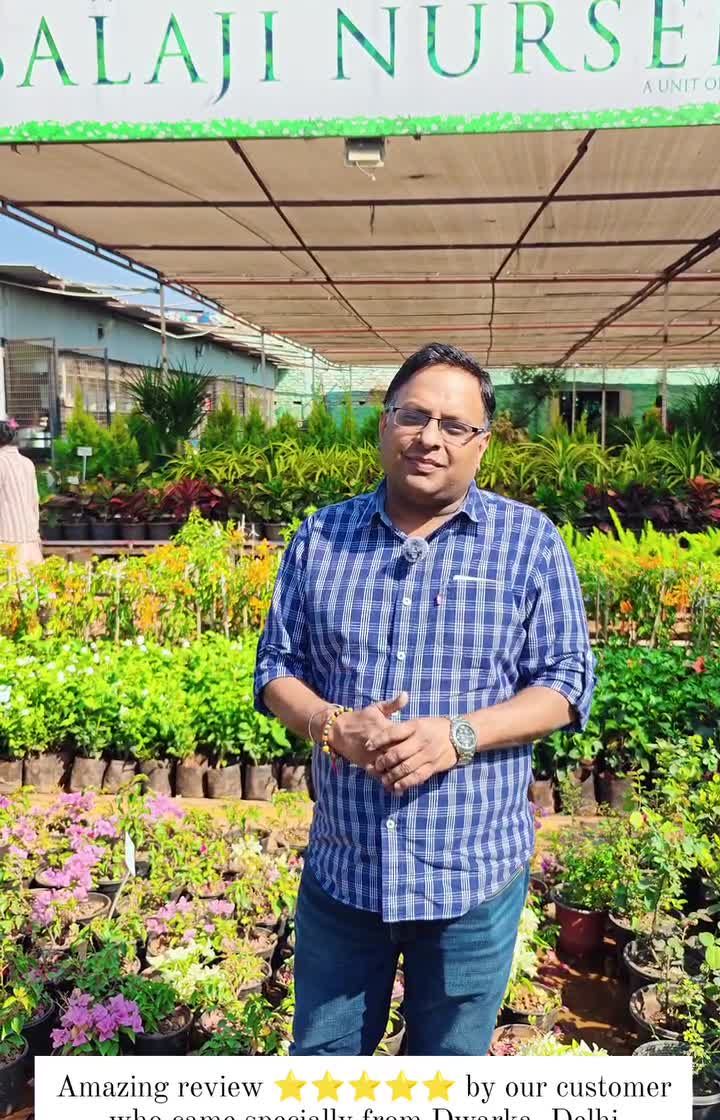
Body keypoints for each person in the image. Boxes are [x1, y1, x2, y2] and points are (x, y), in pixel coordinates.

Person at [255, 343, 594, 1056]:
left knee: (447, 1070)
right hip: (347, 870)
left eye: (454, 424)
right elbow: (276, 668)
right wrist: (332, 725)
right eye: (413, 416)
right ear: (385, 424)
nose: (429, 438)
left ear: (482, 443)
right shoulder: (321, 537)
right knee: (324, 1066)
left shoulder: (528, 543)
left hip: (471, 876)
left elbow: (567, 685)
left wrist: (458, 736)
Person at [0, 417, 43, 571]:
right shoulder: (27, 463)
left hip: (6, 539)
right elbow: (34, 500)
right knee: (32, 583)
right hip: (30, 538)